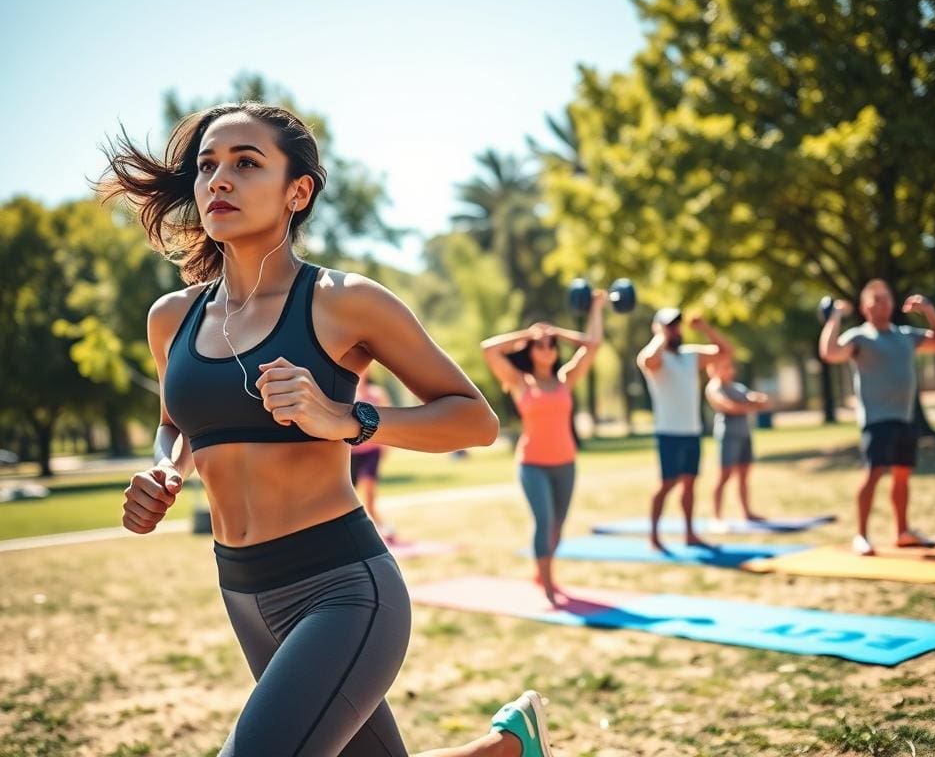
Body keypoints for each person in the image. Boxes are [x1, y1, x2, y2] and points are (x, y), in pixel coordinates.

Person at [104, 103, 554, 757]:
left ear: (299, 191)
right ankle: (507, 749)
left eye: (245, 163)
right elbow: (177, 424)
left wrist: (347, 418)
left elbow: (474, 419)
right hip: (241, 589)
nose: (218, 181)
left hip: (342, 588)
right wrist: (166, 468)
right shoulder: (171, 317)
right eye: (207, 166)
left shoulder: (344, 301)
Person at [481, 293, 605, 605]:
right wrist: (530, 332)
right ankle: (549, 587)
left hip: (566, 463)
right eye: (541, 345)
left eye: (551, 345)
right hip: (532, 464)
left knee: (559, 528)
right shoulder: (520, 381)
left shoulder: (566, 379)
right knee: (544, 521)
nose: (547, 348)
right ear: (531, 350)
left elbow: (592, 345)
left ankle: (542, 571)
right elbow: (488, 349)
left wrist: (559, 330)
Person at [819, 279, 935, 556]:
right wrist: (834, 316)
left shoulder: (905, 335)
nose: (883, 303)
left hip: (904, 418)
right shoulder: (858, 337)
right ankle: (862, 535)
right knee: (873, 474)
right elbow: (830, 353)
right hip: (876, 419)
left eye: (887, 298)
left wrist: (928, 310)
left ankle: (902, 531)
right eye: (876, 299)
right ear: (865, 306)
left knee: (903, 475)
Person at [637, 308, 732, 551]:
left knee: (690, 483)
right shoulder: (655, 358)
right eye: (669, 325)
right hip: (668, 432)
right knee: (667, 483)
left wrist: (705, 329)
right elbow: (648, 360)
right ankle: (654, 536)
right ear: (658, 329)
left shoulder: (691, 356)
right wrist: (661, 335)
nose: (674, 330)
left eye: (676, 325)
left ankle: (690, 534)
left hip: (692, 431)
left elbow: (726, 352)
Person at [704, 357, 770, 526]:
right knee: (724, 475)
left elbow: (762, 402)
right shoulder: (714, 387)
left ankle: (747, 513)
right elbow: (727, 406)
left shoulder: (738, 387)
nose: (729, 370)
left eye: (729, 366)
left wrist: (749, 403)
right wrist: (749, 405)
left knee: (744, 476)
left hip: (745, 434)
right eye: (724, 366)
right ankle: (716, 516)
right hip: (729, 436)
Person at [350, 367, 394, 541]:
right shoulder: (347, 395)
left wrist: (387, 447)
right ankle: (366, 530)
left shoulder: (377, 393)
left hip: (372, 451)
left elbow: (387, 421)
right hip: (351, 453)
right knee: (350, 494)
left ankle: (379, 529)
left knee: (369, 492)